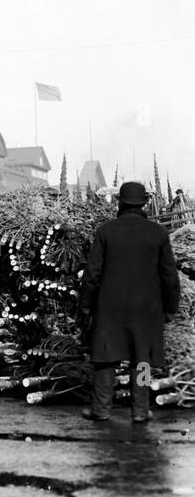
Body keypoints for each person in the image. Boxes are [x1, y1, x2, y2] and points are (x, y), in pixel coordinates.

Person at [79, 181, 182, 422]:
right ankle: (140, 410)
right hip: (147, 309)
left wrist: (86, 305)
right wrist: (170, 308)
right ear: (145, 203)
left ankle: (101, 409)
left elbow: (92, 274)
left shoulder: (106, 231)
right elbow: (170, 276)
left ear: (120, 203)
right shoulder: (158, 233)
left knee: (105, 356)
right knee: (142, 358)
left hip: (109, 306)